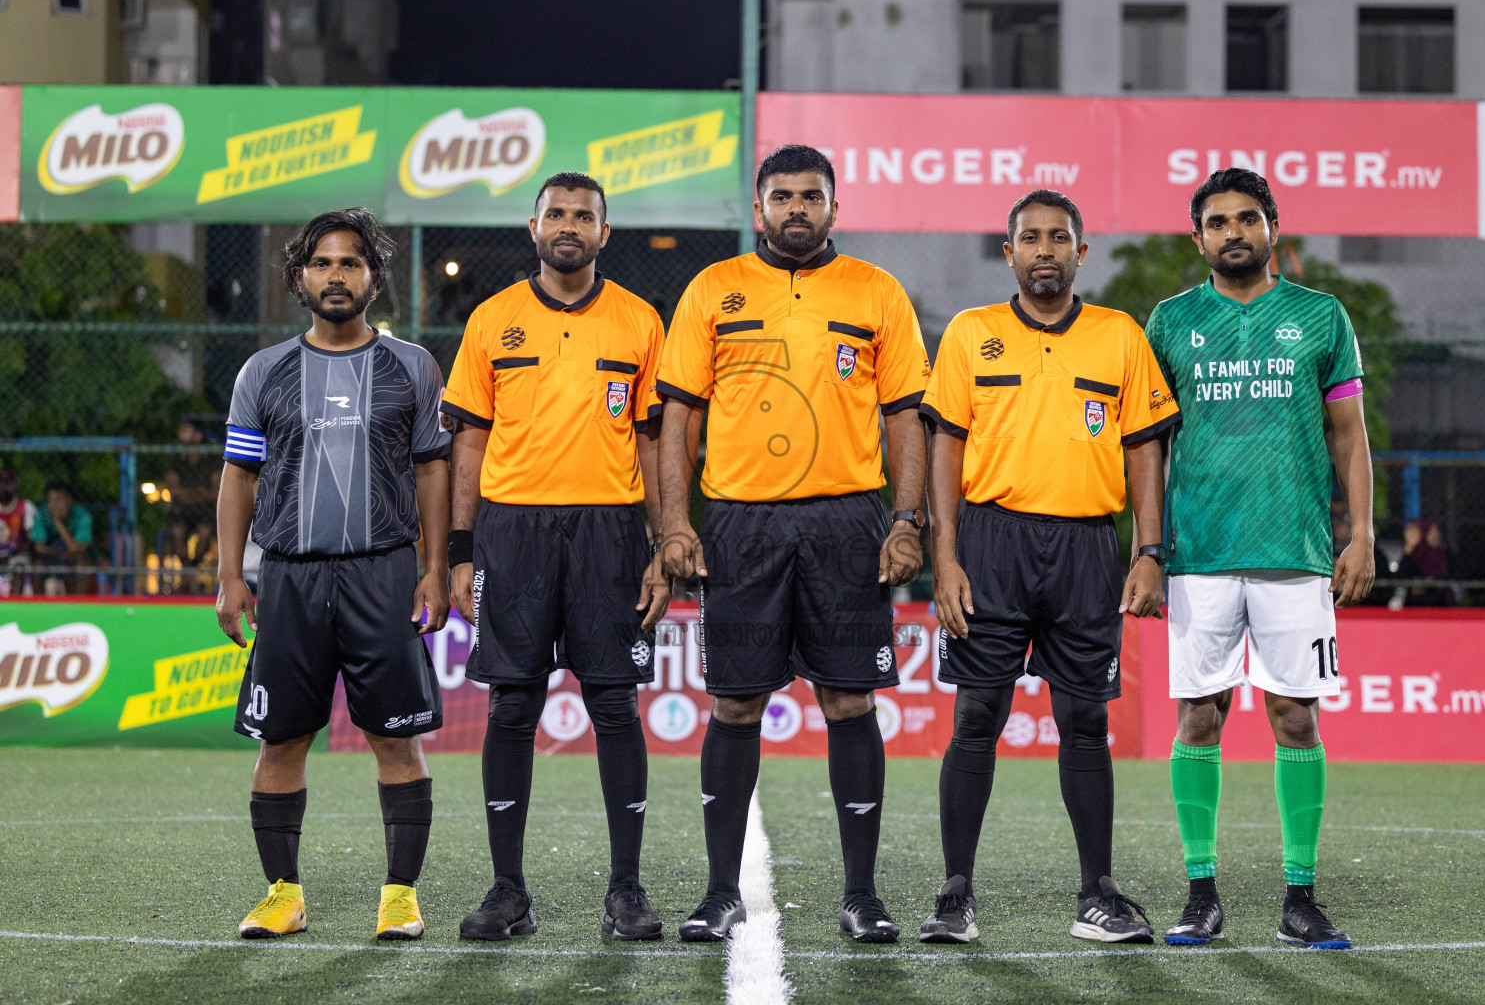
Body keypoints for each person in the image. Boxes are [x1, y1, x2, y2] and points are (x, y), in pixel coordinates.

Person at [657, 145, 929, 943]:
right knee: (735, 701)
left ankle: (862, 895)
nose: (797, 209)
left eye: (812, 196)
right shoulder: (713, 288)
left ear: (835, 209)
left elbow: (906, 416)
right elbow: (679, 417)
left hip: (849, 521)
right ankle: (718, 892)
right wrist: (676, 522)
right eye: (782, 196)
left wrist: (906, 522)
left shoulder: (877, 292)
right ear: (758, 209)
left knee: (850, 699)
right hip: (741, 523)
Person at [917, 190, 1179, 946]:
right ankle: (955, 893)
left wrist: (1149, 552)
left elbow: (1144, 449)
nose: (1043, 250)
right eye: (1029, 238)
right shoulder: (971, 334)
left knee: (1085, 723)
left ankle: (1097, 893)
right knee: (976, 719)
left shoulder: (1119, 336)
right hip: (990, 545)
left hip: (1087, 548)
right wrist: (945, 556)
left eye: (1058, 238)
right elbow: (946, 448)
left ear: (1080, 253)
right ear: (1009, 252)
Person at [1145, 168, 1373, 950]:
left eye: (1248, 218)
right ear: (1199, 235)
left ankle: (1299, 898)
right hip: (1200, 553)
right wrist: (1147, 550)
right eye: (1217, 221)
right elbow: (1148, 447)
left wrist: (1362, 533)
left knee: (1294, 717)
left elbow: (1350, 433)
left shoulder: (1320, 315)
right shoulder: (1172, 321)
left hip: (1297, 549)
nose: (1233, 232)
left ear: (1273, 226)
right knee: (1199, 717)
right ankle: (1200, 894)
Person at [441, 172, 670, 942]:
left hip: (610, 532)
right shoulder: (491, 320)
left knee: (613, 705)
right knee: (512, 706)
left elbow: (650, 439)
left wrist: (664, 543)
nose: (569, 226)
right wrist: (460, 549)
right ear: (531, 227)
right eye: (556, 214)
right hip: (513, 531)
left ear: (606, 233)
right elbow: (468, 441)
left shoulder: (640, 323)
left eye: (584, 216)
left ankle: (626, 891)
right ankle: (508, 891)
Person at [214, 207, 451, 942]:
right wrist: (230, 574)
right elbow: (238, 477)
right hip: (287, 576)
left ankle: (400, 896)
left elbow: (433, 469)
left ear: (375, 279)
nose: (336, 275)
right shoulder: (264, 370)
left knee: (396, 738)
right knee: (280, 740)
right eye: (322, 263)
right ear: (299, 278)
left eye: (351, 263)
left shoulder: (411, 365)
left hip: (383, 573)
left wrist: (436, 567)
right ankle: (283, 895)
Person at [32, 480, 92, 594]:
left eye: (59, 500)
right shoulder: (41, 513)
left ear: (69, 500)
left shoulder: (82, 515)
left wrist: (59, 524)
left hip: (72, 556)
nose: (55, 505)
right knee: (37, 564)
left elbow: (79, 549)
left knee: (82, 563)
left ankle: (79, 604)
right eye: (51, 501)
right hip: (51, 555)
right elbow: (39, 547)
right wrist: (58, 554)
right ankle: (38, 604)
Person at [0, 469, 37, 594]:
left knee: (19, 563)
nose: (2, 487)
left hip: (16, 553)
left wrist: (11, 554)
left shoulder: (25, 507)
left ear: (14, 486)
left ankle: (15, 600)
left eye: (6, 483)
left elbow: (30, 539)